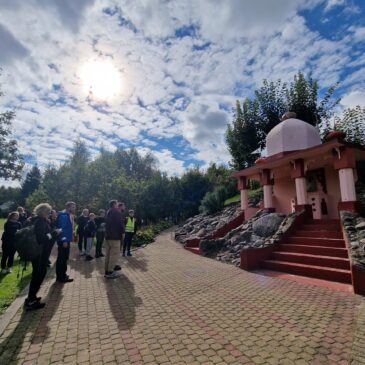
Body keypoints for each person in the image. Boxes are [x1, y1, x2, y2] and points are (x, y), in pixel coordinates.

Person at [25, 203, 61, 310]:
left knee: (38, 274)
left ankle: (32, 297)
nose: (50, 214)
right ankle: (31, 300)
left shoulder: (36, 220)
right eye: (48, 212)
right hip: (39, 253)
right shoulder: (40, 221)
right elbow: (41, 238)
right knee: (38, 275)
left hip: (38, 252)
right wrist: (54, 233)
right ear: (43, 212)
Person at [56, 202, 76, 283]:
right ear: (68, 207)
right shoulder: (64, 216)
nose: (74, 208)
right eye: (73, 207)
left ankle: (62, 275)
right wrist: (64, 240)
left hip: (66, 240)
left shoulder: (67, 215)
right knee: (62, 259)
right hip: (64, 241)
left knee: (63, 258)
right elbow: (62, 229)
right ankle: (61, 277)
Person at [104, 200, 124, 278]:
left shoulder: (108, 212)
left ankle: (107, 270)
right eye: (117, 203)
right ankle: (110, 272)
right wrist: (123, 233)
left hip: (108, 237)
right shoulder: (117, 212)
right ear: (115, 204)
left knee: (108, 255)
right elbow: (120, 224)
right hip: (115, 237)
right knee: (114, 255)